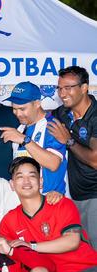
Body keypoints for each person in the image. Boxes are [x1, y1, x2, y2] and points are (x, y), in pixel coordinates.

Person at [0, 157, 97, 272]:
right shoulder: (9, 221)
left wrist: (32, 246)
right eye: (20, 177)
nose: (26, 181)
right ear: (12, 184)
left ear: (41, 181)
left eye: (32, 176)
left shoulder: (61, 204)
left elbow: (72, 241)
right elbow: (11, 257)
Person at [49, 66, 97, 249]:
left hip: (94, 195)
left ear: (84, 88)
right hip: (73, 196)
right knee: (83, 252)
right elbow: (38, 118)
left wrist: (68, 141)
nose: (62, 93)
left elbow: (95, 160)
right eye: (59, 88)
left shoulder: (95, 116)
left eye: (68, 87)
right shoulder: (63, 113)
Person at [1, 81, 67, 194]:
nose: (17, 113)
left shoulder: (52, 125)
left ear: (37, 103)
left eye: (22, 109)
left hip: (50, 199)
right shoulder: (20, 128)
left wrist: (24, 140)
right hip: (26, 201)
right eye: (14, 108)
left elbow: (53, 164)